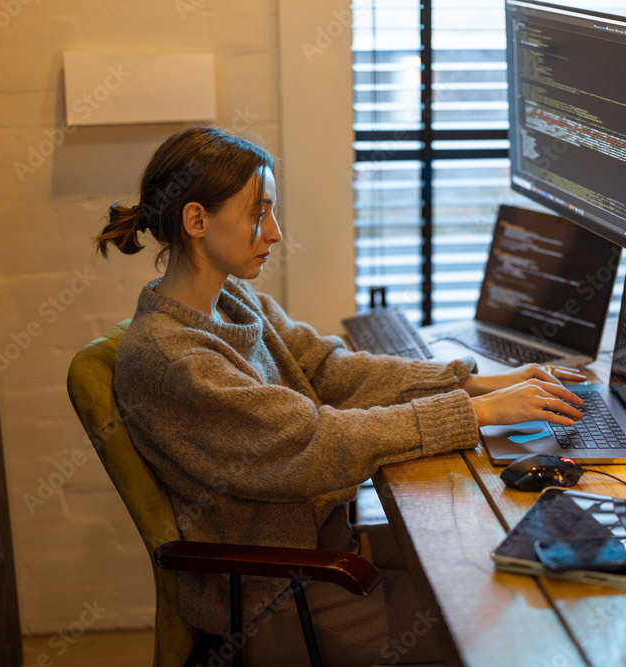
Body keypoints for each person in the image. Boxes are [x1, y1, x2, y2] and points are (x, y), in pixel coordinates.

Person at [95, 126, 585, 666]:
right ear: (196, 221)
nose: (275, 232)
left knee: (513, 555)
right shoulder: (172, 360)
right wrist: (473, 414)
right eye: (259, 214)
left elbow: (328, 368)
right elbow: (311, 441)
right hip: (279, 594)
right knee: (509, 625)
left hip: (326, 547)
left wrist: (468, 383)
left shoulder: (231, 299)